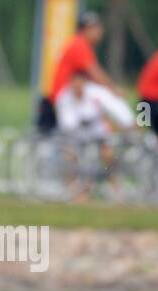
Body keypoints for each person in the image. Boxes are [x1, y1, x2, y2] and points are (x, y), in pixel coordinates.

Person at [53, 69, 133, 199]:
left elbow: (114, 107)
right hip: (76, 136)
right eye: (75, 82)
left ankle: (117, 191)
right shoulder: (64, 97)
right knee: (70, 156)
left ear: (85, 82)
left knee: (108, 156)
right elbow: (67, 123)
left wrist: (128, 123)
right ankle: (74, 192)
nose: (77, 85)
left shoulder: (96, 93)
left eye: (80, 81)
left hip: (98, 133)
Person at [41, 11, 120, 132]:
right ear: (86, 29)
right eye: (95, 28)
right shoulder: (80, 45)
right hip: (67, 96)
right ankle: (131, 126)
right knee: (104, 99)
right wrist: (114, 90)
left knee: (100, 121)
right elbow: (96, 74)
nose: (100, 31)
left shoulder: (78, 43)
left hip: (69, 95)